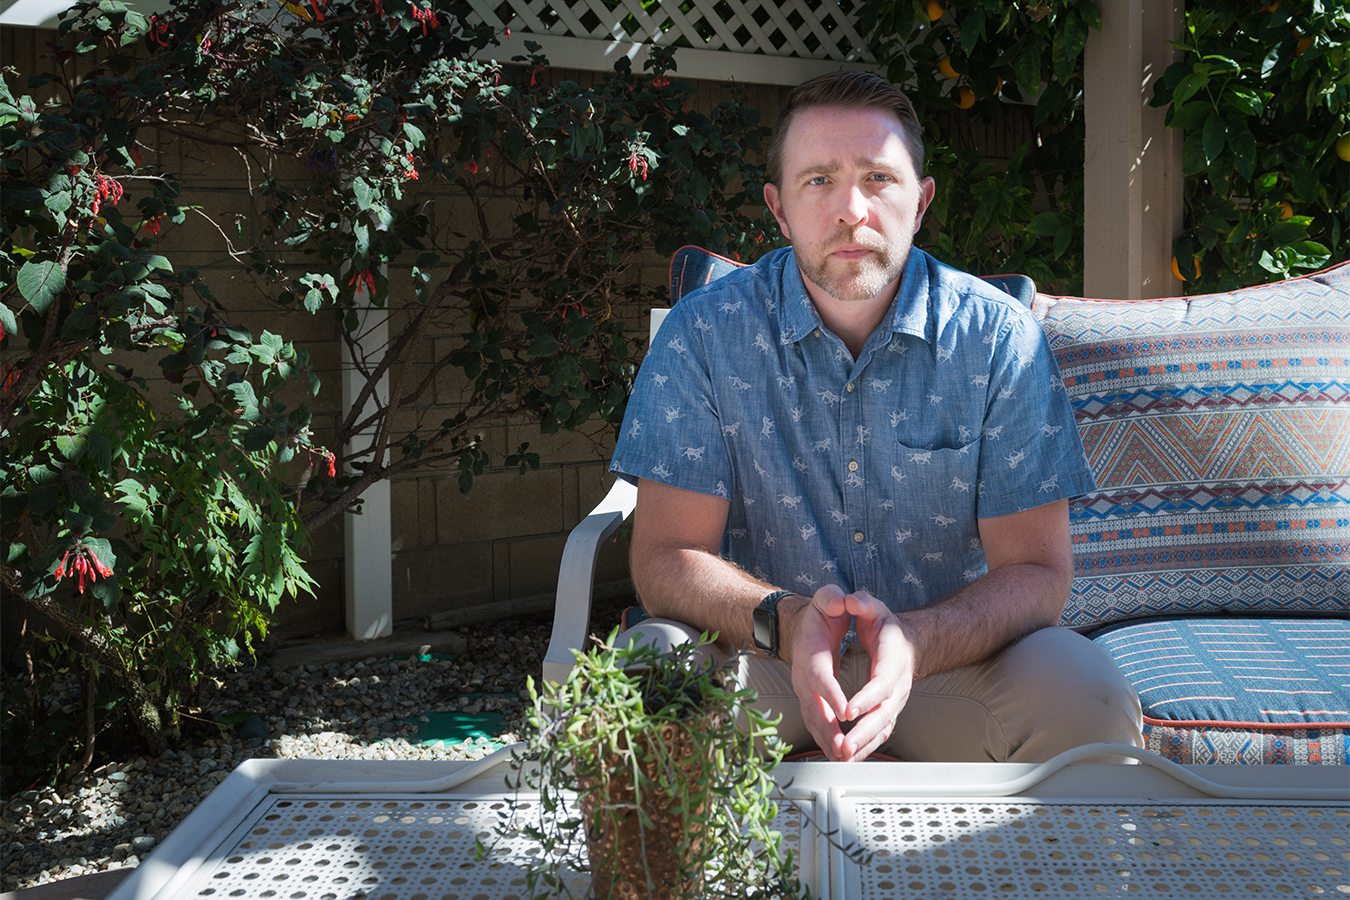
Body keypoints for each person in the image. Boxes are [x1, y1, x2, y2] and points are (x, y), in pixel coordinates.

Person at [609, 71, 1142, 763]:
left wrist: (915, 639)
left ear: (919, 203)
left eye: (878, 179)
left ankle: (1020, 879)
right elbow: (662, 558)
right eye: (818, 180)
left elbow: (1038, 569)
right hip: (759, 661)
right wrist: (788, 620)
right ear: (778, 208)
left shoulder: (997, 340)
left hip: (950, 670)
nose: (850, 209)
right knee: (641, 680)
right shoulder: (705, 334)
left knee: (1088, 694)